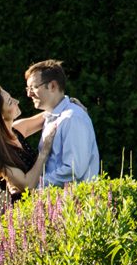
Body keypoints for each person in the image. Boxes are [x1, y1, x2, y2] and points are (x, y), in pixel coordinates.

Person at [0, 84, 60, 224]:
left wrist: (68, 104)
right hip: (14, 216)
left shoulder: (16, 129)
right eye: (10, 101)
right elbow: (27, 185)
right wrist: (44, 153)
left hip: (33, 208)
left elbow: (49, 115)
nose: (17, 101)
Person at [24, 58, 100, 186]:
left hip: (72, 203)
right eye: (27, 88)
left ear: (53, 86)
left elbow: (73, 170)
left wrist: (35, 186)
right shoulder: (53, 116)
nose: (29, 94)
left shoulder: (72, 118)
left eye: (33, 87)